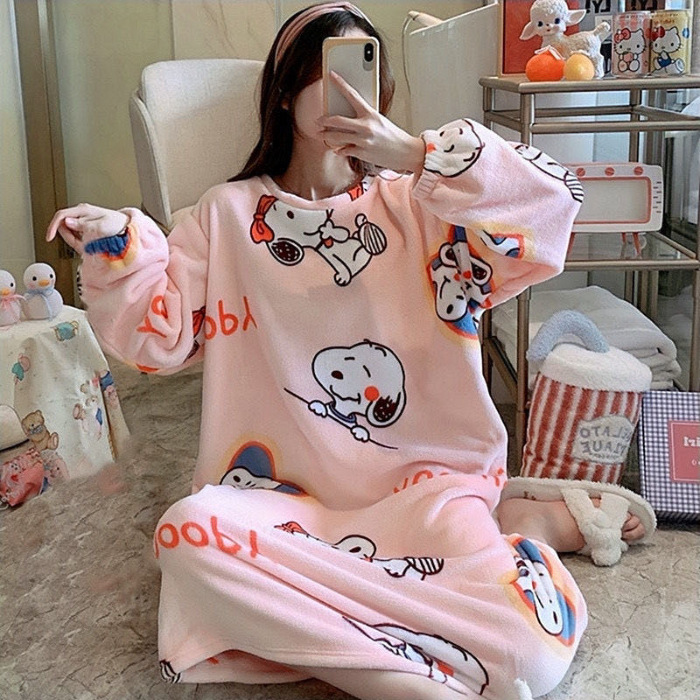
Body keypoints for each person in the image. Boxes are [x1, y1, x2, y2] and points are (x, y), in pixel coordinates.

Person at [47, 3, 655, 698]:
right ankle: (424, 665)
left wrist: (418, 155)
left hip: (427, 489)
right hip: (280, 504)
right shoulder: (227, 214)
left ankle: (369, 623)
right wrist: (117, 244)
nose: (348, 90)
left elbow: (554, 205)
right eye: (326, 72)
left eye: (364, 69)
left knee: (531, 653)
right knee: (186, 536)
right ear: (285, 91)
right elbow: (157, 341)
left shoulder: (423, 204)